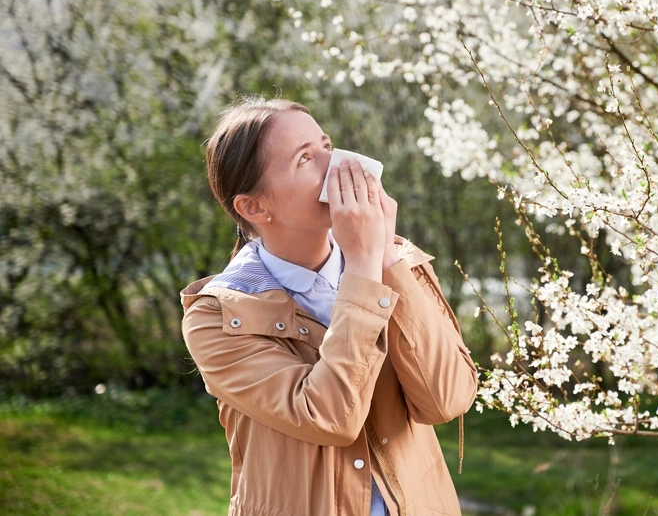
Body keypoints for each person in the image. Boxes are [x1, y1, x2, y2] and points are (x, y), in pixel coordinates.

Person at [179, 95, 478, 516]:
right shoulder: (217, 318)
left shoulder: (395, 262)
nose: (338, 165)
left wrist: (385, 261)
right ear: (254, 206)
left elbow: (447, 399)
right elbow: (329, 417)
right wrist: (363, 268)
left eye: (326, 145)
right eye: (305, 158)